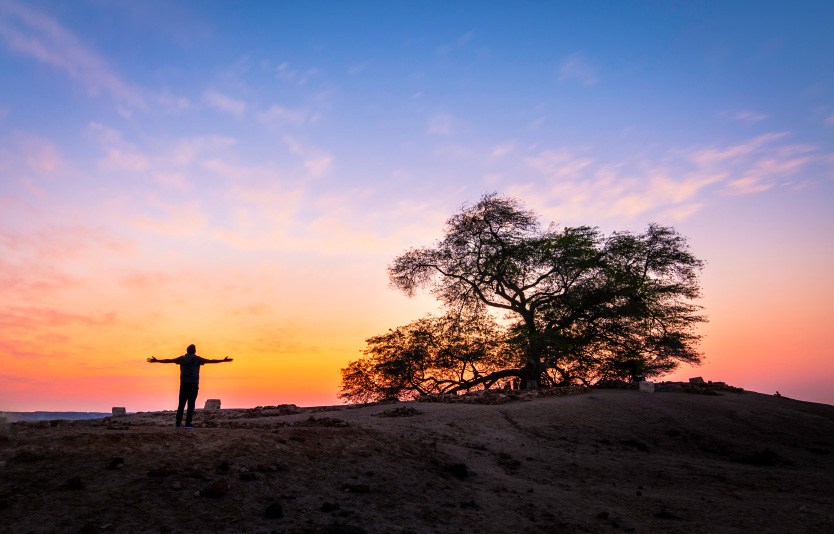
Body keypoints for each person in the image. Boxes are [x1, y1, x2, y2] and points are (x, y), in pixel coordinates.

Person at [147, 344, 233, 429]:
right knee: (191, 405)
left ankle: (177, 424)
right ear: (195, 351)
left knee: (181, 404)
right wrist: (223, 360)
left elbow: (169, 360)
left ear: (187, 351)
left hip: (184, 384)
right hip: (193, 384)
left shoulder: (182, 359)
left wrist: (157, 360)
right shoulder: (197, 359)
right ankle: (188, 424)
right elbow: (211, 361)